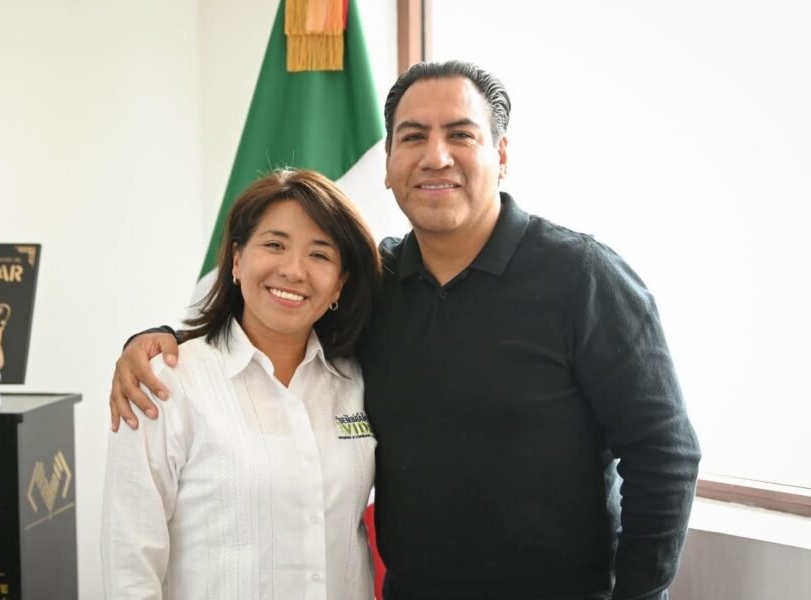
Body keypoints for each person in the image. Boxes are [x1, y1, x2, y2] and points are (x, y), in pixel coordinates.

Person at [110, 61, 701, 600]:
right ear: (389, 163)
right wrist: (157, 340)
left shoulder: (583, 276)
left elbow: (664, 453)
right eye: (413, 137)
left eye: (460, 135)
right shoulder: (373, 284)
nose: (435, 156)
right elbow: (277, 316)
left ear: (501, 154)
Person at [101, 168, 382, 599]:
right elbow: (129, 564)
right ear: (236, 259)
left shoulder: (355, 381)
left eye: (319, 255)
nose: (293, 270)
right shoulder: (165, 383)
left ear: (340, 283)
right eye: (274, 245)